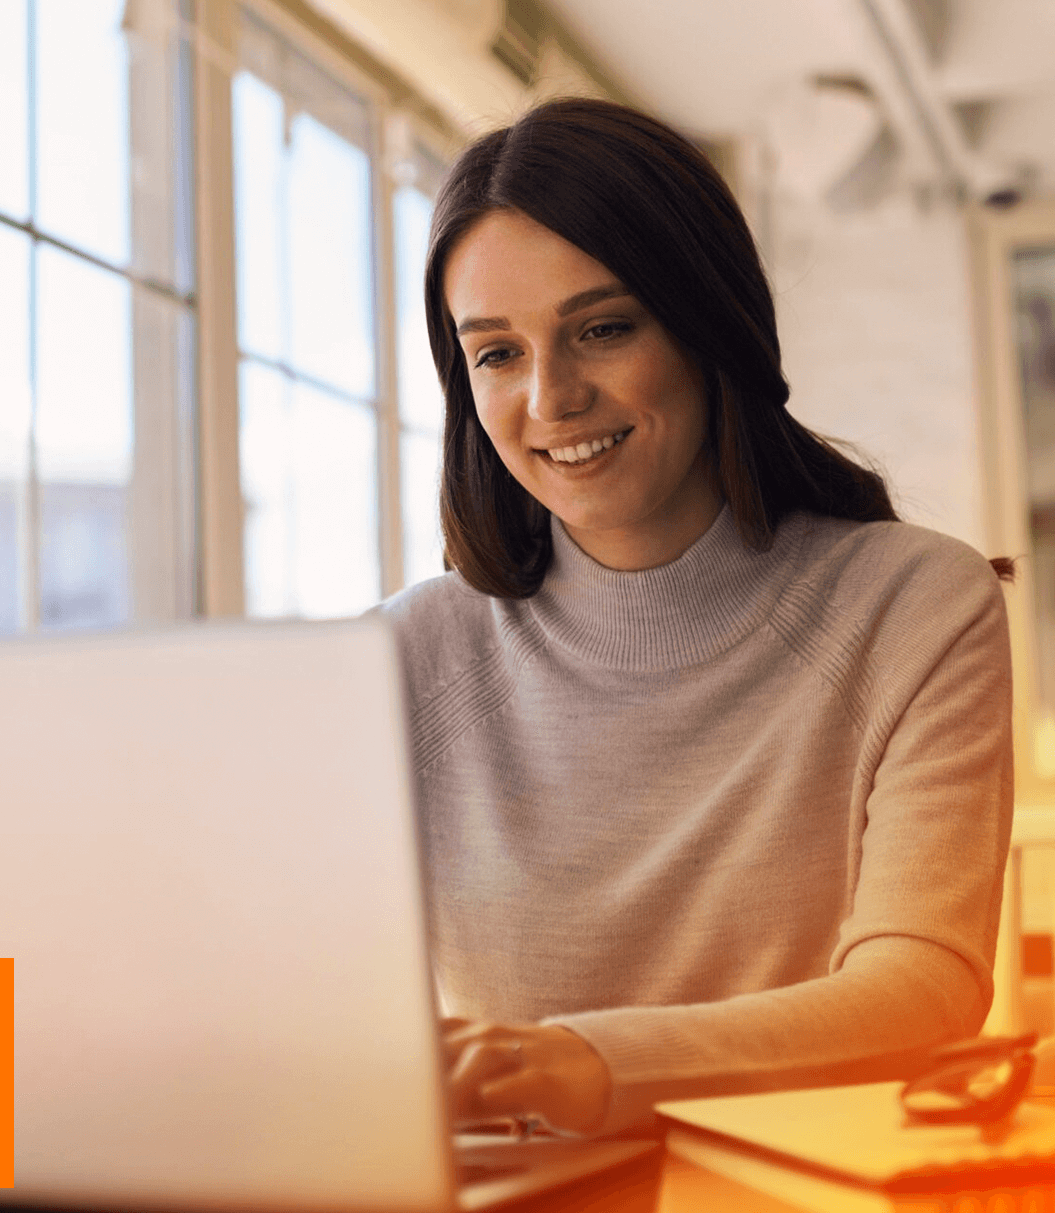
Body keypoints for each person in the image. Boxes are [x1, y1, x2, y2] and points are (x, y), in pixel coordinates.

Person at [370, 97, 1016, 1140]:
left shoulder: (914, 604)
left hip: (797, 1186)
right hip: (505, 1196)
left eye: (602, 329)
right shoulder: (399, 655)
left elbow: (921, 992)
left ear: (707, 323)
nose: (550, 398)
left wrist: (583, 1062)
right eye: (496, 353)